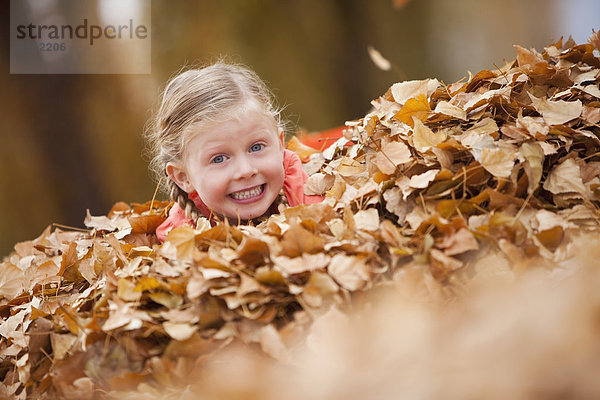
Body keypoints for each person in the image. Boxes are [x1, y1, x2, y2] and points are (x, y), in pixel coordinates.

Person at [146, 63, 323, 242]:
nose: (245, 170)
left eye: (256, 147)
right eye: (219, 159)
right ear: (183, 177)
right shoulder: (179, 238)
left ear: (280, 145)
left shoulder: (304, 192)